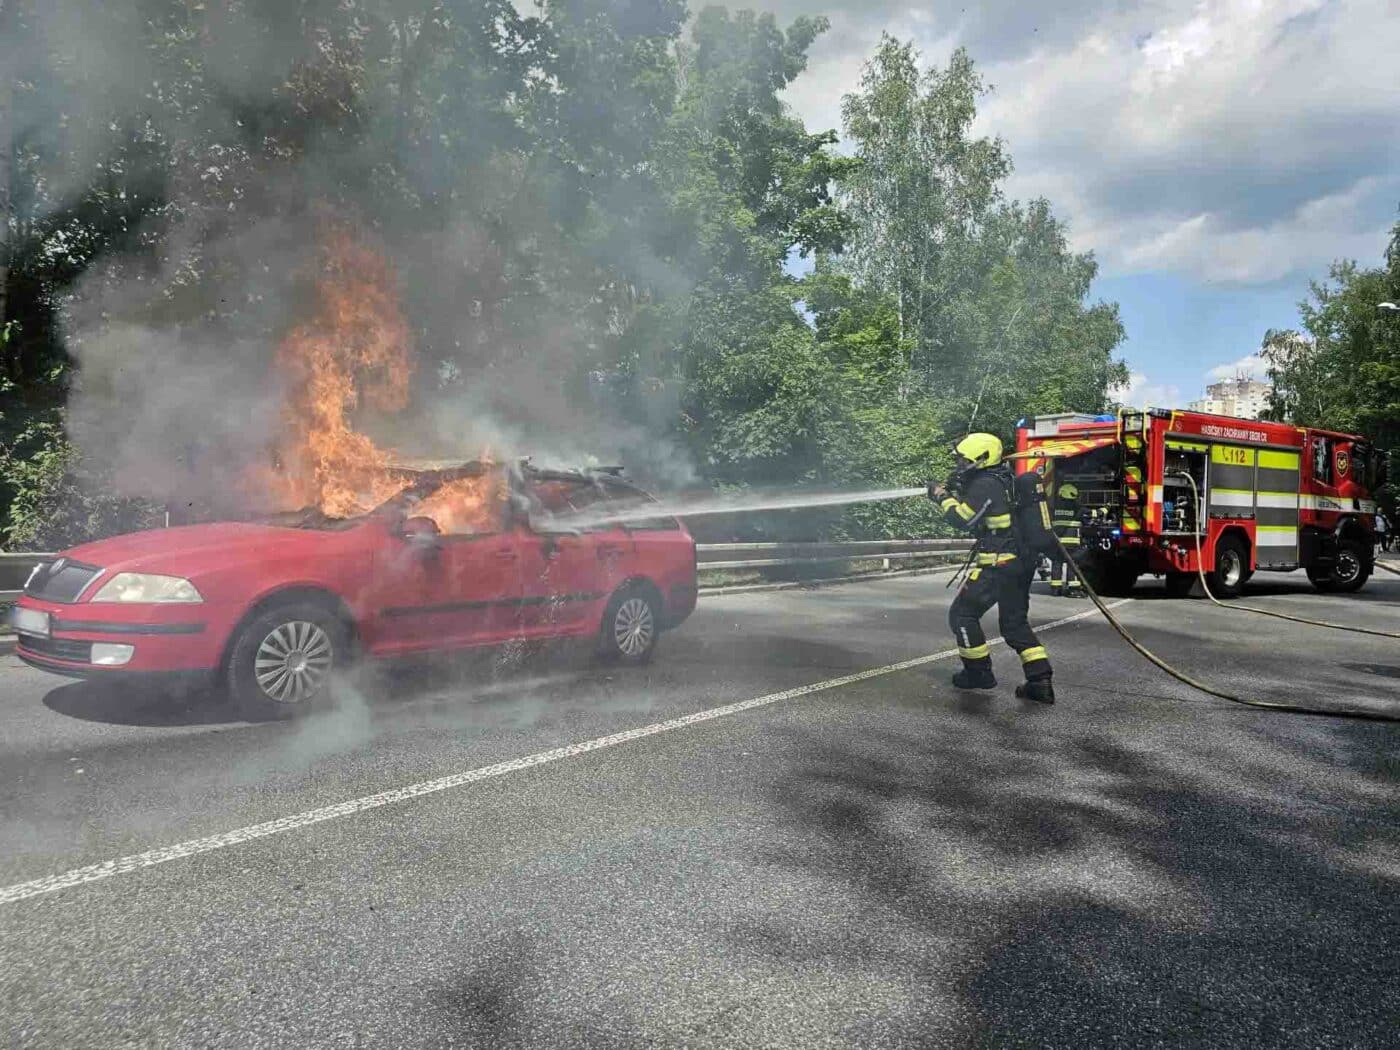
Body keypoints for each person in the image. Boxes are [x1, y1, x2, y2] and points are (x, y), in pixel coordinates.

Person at [928, 433, 1055, 704]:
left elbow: (964, 519)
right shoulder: (1005, 480)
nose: (960, 465)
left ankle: (978, 673)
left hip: (998, 565)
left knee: (962, 615)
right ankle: (1040, 681)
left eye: (965, 460)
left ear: (982, 458)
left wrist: (942, 497)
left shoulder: (985, 484)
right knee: (1014, 624)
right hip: (1021, 563)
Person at [1048, 479, 1085, 598]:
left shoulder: (1053, 508)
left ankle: (1056, 589)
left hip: (1057, 543)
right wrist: (1106, 508)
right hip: (1072, 543)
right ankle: (1073, 589)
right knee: (1073, 564)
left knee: (1057, 563)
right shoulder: (1077, 509)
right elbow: (1092, 514)